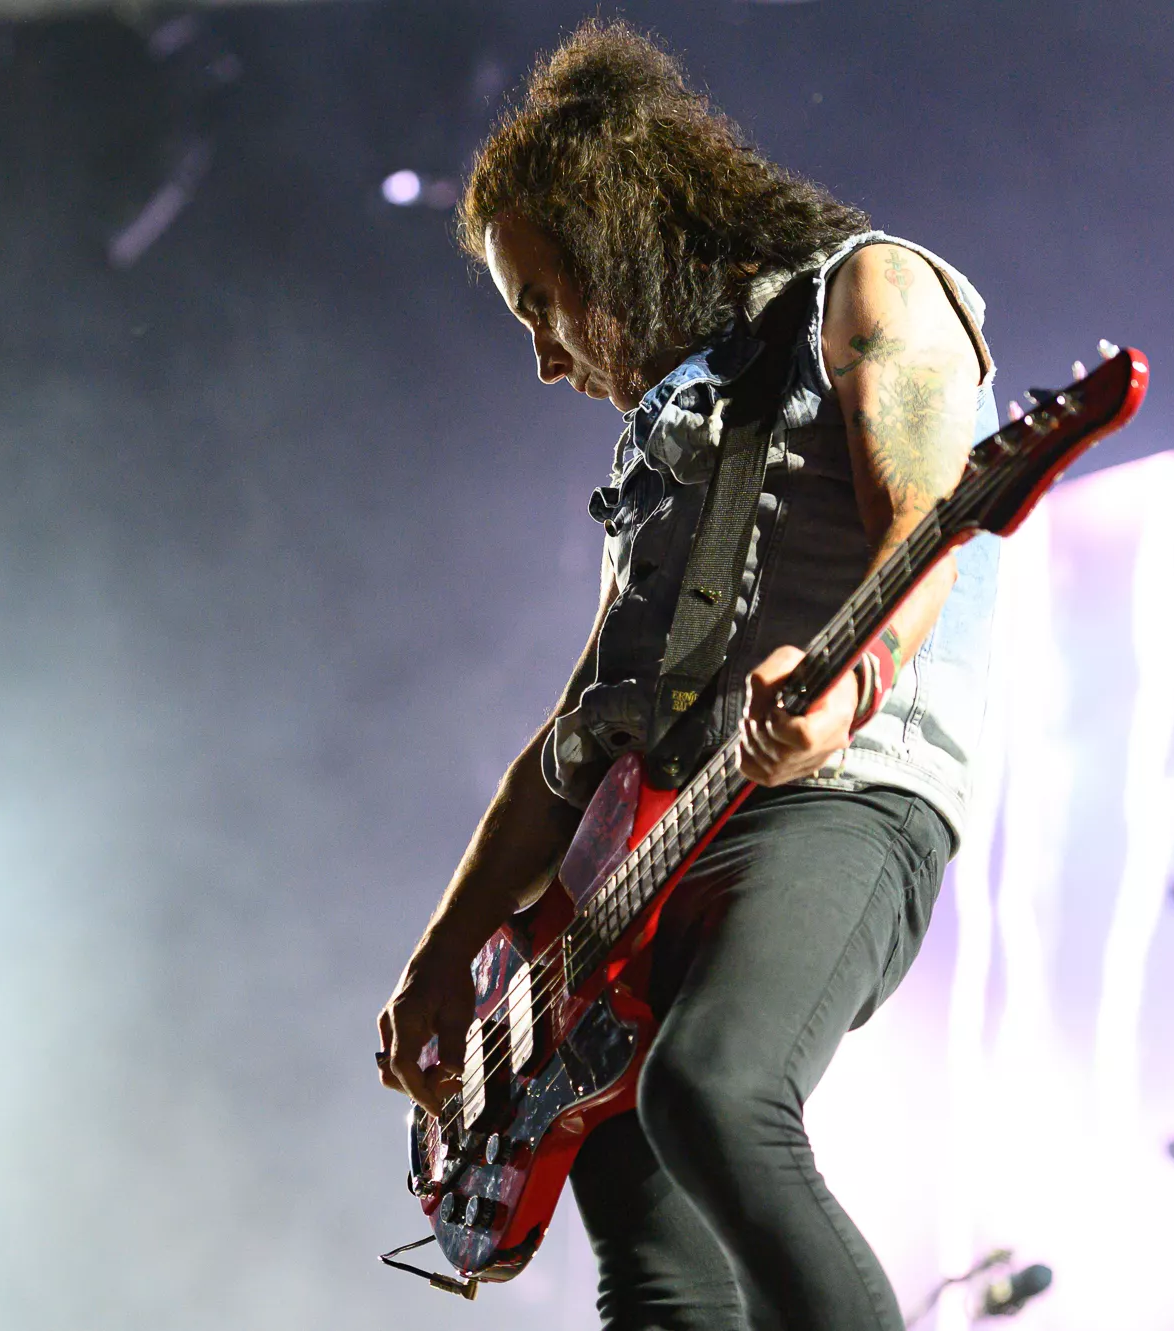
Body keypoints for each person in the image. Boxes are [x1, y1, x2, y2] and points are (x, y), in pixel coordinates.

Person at [376, 20, 1000, 1331]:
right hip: (640, 856)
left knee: (711, 1092)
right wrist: (445, 954)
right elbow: (577, 735)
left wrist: (846, 689)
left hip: (833, 798)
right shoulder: (667, 438)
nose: (545, 357)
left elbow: (925, 530)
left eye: (543, 306)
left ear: (618, 242)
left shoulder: (872, 292)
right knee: (656, 1267)